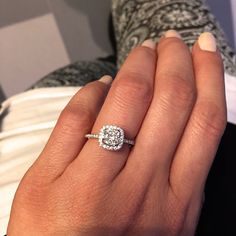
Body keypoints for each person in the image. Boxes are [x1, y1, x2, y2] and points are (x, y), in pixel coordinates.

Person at [1, 0, 236, 235]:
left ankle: (110, 61)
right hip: (195, 127)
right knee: (170, 24)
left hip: (33, 112)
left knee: (89, 68)